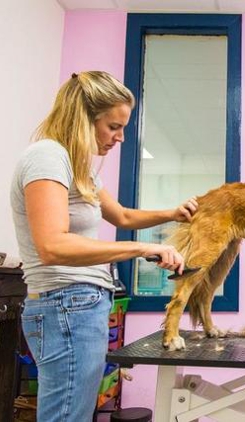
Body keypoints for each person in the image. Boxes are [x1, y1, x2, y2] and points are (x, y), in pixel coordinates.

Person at [10, 70, 198, 422]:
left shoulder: (80, 168)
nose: (120, 137)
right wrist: (141, 250)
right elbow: (52, 245)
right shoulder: (48, 157)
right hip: (65, 306)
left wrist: (173, 213)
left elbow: (123, 216)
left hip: (79, 306)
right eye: (113, 126)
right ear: (83, 118)